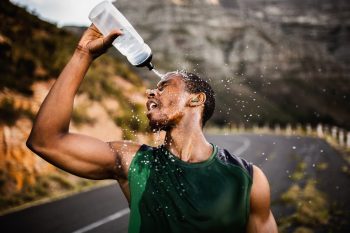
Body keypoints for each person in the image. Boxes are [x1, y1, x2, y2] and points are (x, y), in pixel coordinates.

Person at [26, 24, 278, 233]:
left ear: (196, 99)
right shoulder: (134, 161)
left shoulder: (248, 179)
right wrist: (83, 54)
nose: (150, 92)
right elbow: (46, 141)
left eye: (164, 86)